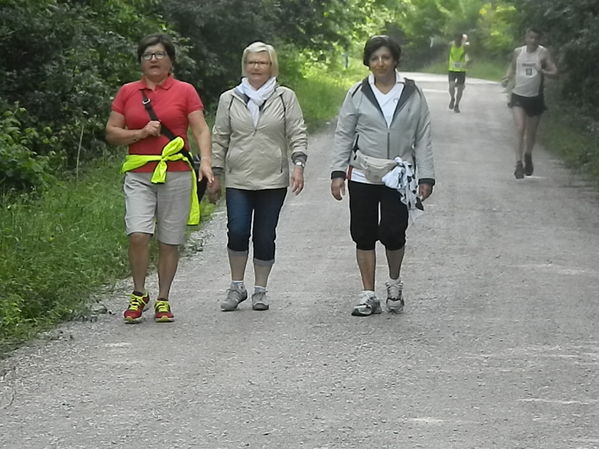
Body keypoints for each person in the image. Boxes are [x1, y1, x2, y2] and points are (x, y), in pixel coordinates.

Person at [105, 33, 214, 323]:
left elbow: (201, 129)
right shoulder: (128, 91)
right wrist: (140, 133)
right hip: (139, 172)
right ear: (140, 62)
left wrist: (206, 162)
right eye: (147, 55)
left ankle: (163, 298)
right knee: (139, 235)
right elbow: (112, 132)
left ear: (171, 60)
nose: (153, 59)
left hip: (176, 174)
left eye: (159, 54)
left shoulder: (185, 90)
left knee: (170, 240)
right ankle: (139, 292)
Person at [330, 35, 435, 317]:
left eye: (386, 57)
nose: (380, 63)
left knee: (392, 231)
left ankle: (394, 283)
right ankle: (368, 294)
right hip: (363, 172)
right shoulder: (356, 93)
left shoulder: (412, 93)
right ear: (368, 62)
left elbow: (423, 136)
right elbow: (344, 134)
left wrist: (426, 176)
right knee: (362, 233)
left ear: (395, 60)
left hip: (399, 173)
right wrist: (338, 172)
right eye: (374, 58)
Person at [210, 41, 307, 312]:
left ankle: (260, 291)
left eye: (262, 62)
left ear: (271, 66)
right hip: (238, 177)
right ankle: (236, 286)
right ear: (245, 65)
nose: (256, 67)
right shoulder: (229, 98)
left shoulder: (285, 97)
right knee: (238, 231)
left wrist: (298, 164)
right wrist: (215, 172)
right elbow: (220, 138)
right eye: (252, 62)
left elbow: (297, 132)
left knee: (265, 236)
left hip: (272, 179)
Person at [503, 28, 558, 179]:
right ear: (526, 38)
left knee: (531, 133)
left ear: (539, 40)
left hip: (535, 97)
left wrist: (543, 72)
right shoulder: (518, 52)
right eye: (530, 37)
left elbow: (555, 73)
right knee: (520, 129)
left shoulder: (543, 53)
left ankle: (528, 155)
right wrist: (507, 77)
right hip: (518, 96)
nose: (533, 41)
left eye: (536, 38)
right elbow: (512, 67)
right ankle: (518, 164)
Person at [448, 32, 469, 113]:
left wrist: (467, 62)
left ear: (461, 40)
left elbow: (467, 55)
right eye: (456, 39)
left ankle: (457, 105)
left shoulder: (465, 46)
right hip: (452, 69)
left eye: (459, 39)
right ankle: (452, 98)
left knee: (460, 89)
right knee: (451, 85)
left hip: (461, 70)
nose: (457, 41)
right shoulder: (451, 45)